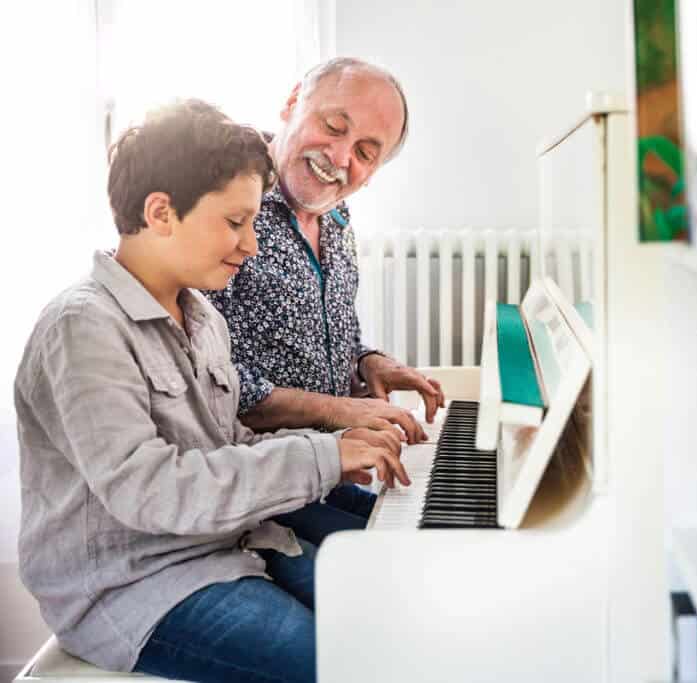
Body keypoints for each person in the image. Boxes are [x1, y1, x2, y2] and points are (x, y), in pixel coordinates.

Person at [15, 100, 406, 682]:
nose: (249, 244)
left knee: (388, 617)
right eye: (234, 222)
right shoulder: (84, 329)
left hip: (225, 543)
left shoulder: (201, 317)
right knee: (345, 665)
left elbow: (231, 438)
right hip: (136, 586)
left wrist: (336, 447)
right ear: (161, 212)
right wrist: (319, 456)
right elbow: (148, 490)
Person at [205, 59, 447, 538]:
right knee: (376, 586)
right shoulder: (224, 202)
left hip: (323, 470)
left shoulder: (337, 217)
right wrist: (338, 409)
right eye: (333, 126)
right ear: (293, 102)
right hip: (248, 485)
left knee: (427, 543)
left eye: (365, 152)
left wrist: (366, 362)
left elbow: (332, 328)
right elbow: (208, 384)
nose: (339, 158)